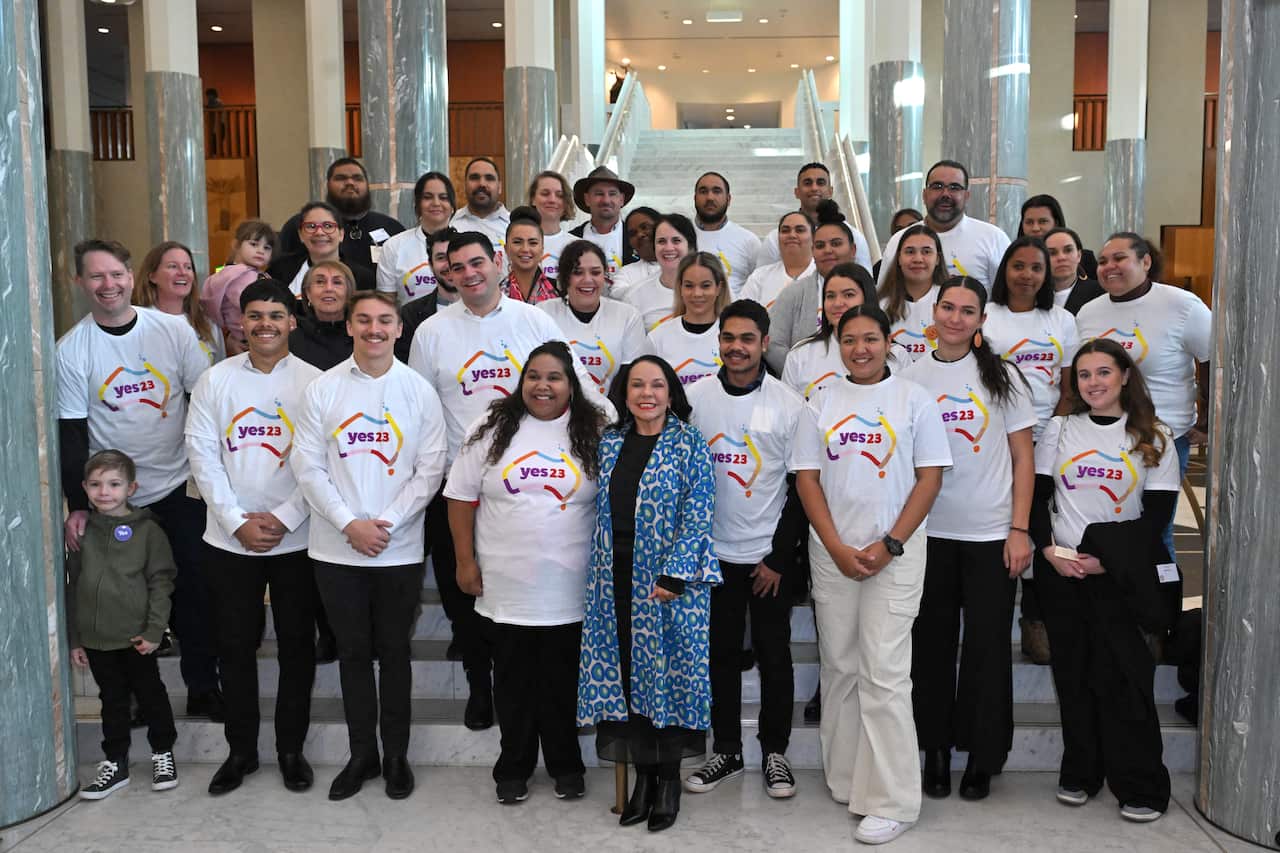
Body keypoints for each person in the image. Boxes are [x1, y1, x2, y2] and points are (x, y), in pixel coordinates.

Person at [409, 232, 606, 733]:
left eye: (478, 262)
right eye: (457, 266)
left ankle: (553, 704)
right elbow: (421, 413)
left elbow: (581, 388)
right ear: (446, 274)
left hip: (539, 480)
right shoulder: (431, 331)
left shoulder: (533, 321)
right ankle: (481, 686)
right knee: (466, 595)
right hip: (462, 487)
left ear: (497, 262)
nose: (469, 273)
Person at [790, 303, 951, 845]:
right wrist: (835, 545)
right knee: (839, 665)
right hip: (832, 553)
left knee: (883, 671)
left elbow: (929, 479)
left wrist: (891, 543)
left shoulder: (915, 400)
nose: (860, 349)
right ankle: (846, 778)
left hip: (895, 555)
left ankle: (893, 799)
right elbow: (807, 479)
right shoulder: (822, 398)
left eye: (870, 339)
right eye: (850, 340)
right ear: (838, 344)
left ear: (889, 342)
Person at [291, 290, 449, 801]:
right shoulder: (322, 389)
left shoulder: (419, 390)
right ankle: (362, 755)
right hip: (336, 549)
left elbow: (430, 469)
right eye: (364, 320)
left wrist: (387, 523)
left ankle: (396, 755)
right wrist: (348, 523)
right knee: (354, 654)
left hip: (398, 548)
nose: (375, 329)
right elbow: (307, 466)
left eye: (385, 320)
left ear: (398, 329)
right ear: (351, 328)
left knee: (395, 652)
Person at [58, 239, 223, 720]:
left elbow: (204, 400)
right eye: (96, 276)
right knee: (123, 599)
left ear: (132, 276)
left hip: (178, 484)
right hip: (115, 502)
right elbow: (72, 434)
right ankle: (129, 696)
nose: (107, 285)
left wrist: (209, 477)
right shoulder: (72, 350)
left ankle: (202, 686)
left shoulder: (172, 330)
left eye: (115, 274)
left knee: (194, 589)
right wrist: (80, 505)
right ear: (80, 283)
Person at [446, 341, 609, 804]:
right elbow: (459, 497)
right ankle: (512, 768)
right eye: (533, 375)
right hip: (506, 584)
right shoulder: (492, 426)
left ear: (572, 385)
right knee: (513, 684)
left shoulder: (595, 430)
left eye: (555, 376)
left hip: (570, 587)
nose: (543, 385)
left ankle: (565, 765)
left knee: (561, 684)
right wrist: (464, 560)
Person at [1030, 339, 1180, 823]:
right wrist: (1049, 550)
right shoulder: (1058, 429)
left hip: (1118, 577)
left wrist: (1105, 562)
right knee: (1072, 676)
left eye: (1103, 373)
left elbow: (1155, 517)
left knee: (1123, 678)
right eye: (1085, 375)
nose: (1093, 383)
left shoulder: (1154, 434)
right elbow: (1037, 500)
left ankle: (1140, 785)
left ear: (1124, 377)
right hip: (1062, 571)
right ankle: (1081, 772)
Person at [901, 276, 1037, 802]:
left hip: (991, 534)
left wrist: (1020, 528)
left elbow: (1024, 459)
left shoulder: (1004, 378)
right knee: (930, 646)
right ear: (933, 314)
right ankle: (934, 749)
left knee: (986, 649)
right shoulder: (910, 379)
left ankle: (983, 756)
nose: (957, 318)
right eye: (948, 307)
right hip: (928, 534)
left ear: (982, 320)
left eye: (968, 310)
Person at [185, 279, 322, 796]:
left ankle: (291, 750)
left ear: (292, 321)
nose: (265, 324)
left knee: (296, 648)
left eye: (276, 315)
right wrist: (237, 520)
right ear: (240, 323)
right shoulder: (214, 381)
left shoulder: (317, 383)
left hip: (299, 537)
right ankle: (240, 751)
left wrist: (285, 517)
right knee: (235, 647)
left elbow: (320, 463)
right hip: (228, 538)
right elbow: (203, 458)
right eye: (255, 315)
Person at [578, 355, 721, 834]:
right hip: (615, 578)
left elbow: (699, 514)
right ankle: (643, 778)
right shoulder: (611, 442)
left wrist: (675, 575)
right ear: (624, 393)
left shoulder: (689, 443)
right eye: (637, 385)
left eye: (656, 385)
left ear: (670, 391)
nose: (647, 394)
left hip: (668, 585)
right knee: (630, 679)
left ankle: (668, 782)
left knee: (668, 681)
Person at [685, 300, 807, 800]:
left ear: (764, 343)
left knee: (776, 655)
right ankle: (728, 751)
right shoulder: (693, 400)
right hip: (713, 558)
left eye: (747, 339)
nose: (737, 347)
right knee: (720, 656)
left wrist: (779, 558)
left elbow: (803, 488)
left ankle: (775, 753)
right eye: (728, 338)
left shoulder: (790, 404)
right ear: (719, 342)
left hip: (768, 561)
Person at [1074, 232, 1211, 558]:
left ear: (1145, 261)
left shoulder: (1182, 306)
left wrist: (1207, 422)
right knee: (1105, 521)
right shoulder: (1089, 312)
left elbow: (1212, 364)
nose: (1108, 267)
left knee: (1154, 530)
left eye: (1119, 258)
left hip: (1162, 437)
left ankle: (1158, 604)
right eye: (1103, 261)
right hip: (1104, 435)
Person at [982, 238, 1082, 665]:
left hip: (1050, 439)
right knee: (1003, 524)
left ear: (1047, 275)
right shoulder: (987, 318)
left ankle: (1039, 620)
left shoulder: (1061, 320)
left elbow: (1068, 386)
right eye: (1018, 266)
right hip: (994, 441)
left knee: (1043, 528)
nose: (1026, 275)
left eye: (1035, 268)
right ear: (1005, 270)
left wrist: (1051, 435)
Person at [68, 449, 179, 800]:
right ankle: (115, 763)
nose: (105, 492)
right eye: (96, 484)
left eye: (114, 484)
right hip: (97, 639)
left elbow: (161, 582)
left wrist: (153, 631)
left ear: (131, 488)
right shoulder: (81, 531)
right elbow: (73, 585)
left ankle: (163, 752)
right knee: (112, 701)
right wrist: (76, 638)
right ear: (85, 488)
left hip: (136, 638)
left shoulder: (148, 531)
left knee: (151, 695)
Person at [876, 160, 1011, 292]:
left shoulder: (993, 238)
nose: (945, 194)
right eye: (937, 187)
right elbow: (885, 298)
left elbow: (1004, 300)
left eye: (954, 188)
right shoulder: (899, 240)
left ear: (966, 196)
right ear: (924, 195)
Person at [539, 239, 649, 391]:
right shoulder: (544, 313)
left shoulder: (628, 316)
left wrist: (606, 412)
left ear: (605, 275)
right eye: (577, 272)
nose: (588, 280)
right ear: (564, 277)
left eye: (595, 272)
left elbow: (630, 377)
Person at [765, 199, 862, 373]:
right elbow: (773, 344)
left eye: (836, 244)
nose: (827, 250)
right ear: (812, 251)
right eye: (820, 245)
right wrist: (802, 374)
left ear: (853, 250)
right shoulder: (793, 293)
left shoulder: (870, 290)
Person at [277, 157, 405, 268]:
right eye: (341, 178)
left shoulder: (391, 228)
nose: (350, 182)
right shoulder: (301, 225)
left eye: (357, 178)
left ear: (367, 185)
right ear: (327, 185)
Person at [781, 262, 883, 401]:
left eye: (848, 295)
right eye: (830, 296)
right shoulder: (799, 355)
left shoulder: (897, 355)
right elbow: (790, 417)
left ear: (867, 298)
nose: (837, 303)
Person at [756, 163, 872, 270]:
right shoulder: (776, 238)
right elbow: (764, 277)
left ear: (830, 191)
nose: (814, 188)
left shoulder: (853, 236)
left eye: (820, 183)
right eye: (808, 183)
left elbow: (865, 280)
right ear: (797, 192)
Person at [133, 241, 225, 365]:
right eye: (173, 266)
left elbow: (220, 372)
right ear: (152, 276)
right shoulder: (137, 322)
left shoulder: (207, 322)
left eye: (188, 267)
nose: (183, 272)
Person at [647, 253, 731, 387]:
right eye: (689, 286)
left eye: (705, 286)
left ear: (719, 288)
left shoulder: (733, 336)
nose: (697, 293)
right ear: (680, 287)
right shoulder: (657, 338)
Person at [376, 171, 457, 304]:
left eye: (443, 197)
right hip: (410, 323)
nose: (436, 203)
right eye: (428, 197)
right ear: (417, 204)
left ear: (452, 206)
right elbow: (386, 305)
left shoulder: (468, 245)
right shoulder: (393, 246)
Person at [201, 219, 275, 356]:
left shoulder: (257, 274)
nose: (260, 251)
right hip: (246, 338)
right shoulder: (238, 274)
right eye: (254, 244)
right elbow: (252, 304)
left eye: (267, 247)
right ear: (236, 245)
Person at [268, 201, 377, 295]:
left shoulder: (363, 278)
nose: (319, 232)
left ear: (341, 234)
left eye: (328, 226)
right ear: (301, 235)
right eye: (311, 226)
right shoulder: (279, 270)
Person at [878, 223, 950, 364]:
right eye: (910, 252)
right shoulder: (879, 305)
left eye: (926, 251)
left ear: (938, 259)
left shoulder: (951, 302)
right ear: (898, 258)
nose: (918, 259)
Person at [619, 213, 698, 331]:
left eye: (676, 240)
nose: (669, 248)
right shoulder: (634, 297)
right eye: (661, 241)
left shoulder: (713, 287)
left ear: (690, 246)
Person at [395, 227, 460, 363]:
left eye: (453, 256)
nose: (448, 264)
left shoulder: (485, 309)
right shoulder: (408, 315)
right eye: (441, 258)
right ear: (430, 265)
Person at [692, 171, 761, 297]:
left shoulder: (748, 240)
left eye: (717, 191)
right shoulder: (680, 238)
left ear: (728, 199)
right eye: (703, 191)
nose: (710, 197)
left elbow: (761, 284)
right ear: (694, 198)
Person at [740, 210, 816, 309]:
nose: (792, 235)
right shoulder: (759, 277)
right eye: (785, 230)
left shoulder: (825, 276)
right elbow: (742, 315)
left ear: (814, 238)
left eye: (800, 230)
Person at [568, 165, 635, 277]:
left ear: (621, 199)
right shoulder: (571, 240)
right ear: (587, 199)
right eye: (599, 194)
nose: (606, 200)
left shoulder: (636, 239)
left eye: (612, 194)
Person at [288, 261, 355, 372]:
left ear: (349, 293)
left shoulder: (362, 337)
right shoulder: (290, 341)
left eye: (337, 282)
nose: (329, 288)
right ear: (308, 293)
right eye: (320, 282)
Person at [1018, 193, 1098, 281]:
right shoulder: (1015, 260)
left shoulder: (1085, 259)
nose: (1035, 228)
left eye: (1043, 221)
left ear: (1056, 223)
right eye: (1029, 222)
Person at [450, 156, 511, 267]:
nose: (482, 184)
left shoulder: (513, 225)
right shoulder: (451, 224)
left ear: (500, 187)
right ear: (465, 185)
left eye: (489, 178)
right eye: (474, 178)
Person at [502, 206, 558, 303]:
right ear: (506, 249)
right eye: (517, 242)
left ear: (542, 249)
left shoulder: (559, 291)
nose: (525, 249)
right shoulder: (495, 294)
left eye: (533, 243)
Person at [1044, 226, 1105, 314]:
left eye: (1068, 250)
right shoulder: (1034, 296)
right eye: (1052, 253)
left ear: (1079, 255)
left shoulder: (1100, 293)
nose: (1061, 257)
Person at [528, 170, 576, 280]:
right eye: (545, 194)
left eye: (559, 195)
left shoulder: (578, 245)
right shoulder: (519, 242)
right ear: (533, 200)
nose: (552, 200)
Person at [611, 206, 661, 294]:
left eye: (645, 227)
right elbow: (617, 294)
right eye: (633, 233)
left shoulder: (685, 265)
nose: (640, 235)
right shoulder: (626, 273)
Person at [873, 209, 924, 280]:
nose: (906, 232)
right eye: (899, 230)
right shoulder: (880, 268)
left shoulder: (934, 263)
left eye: (912, 227)